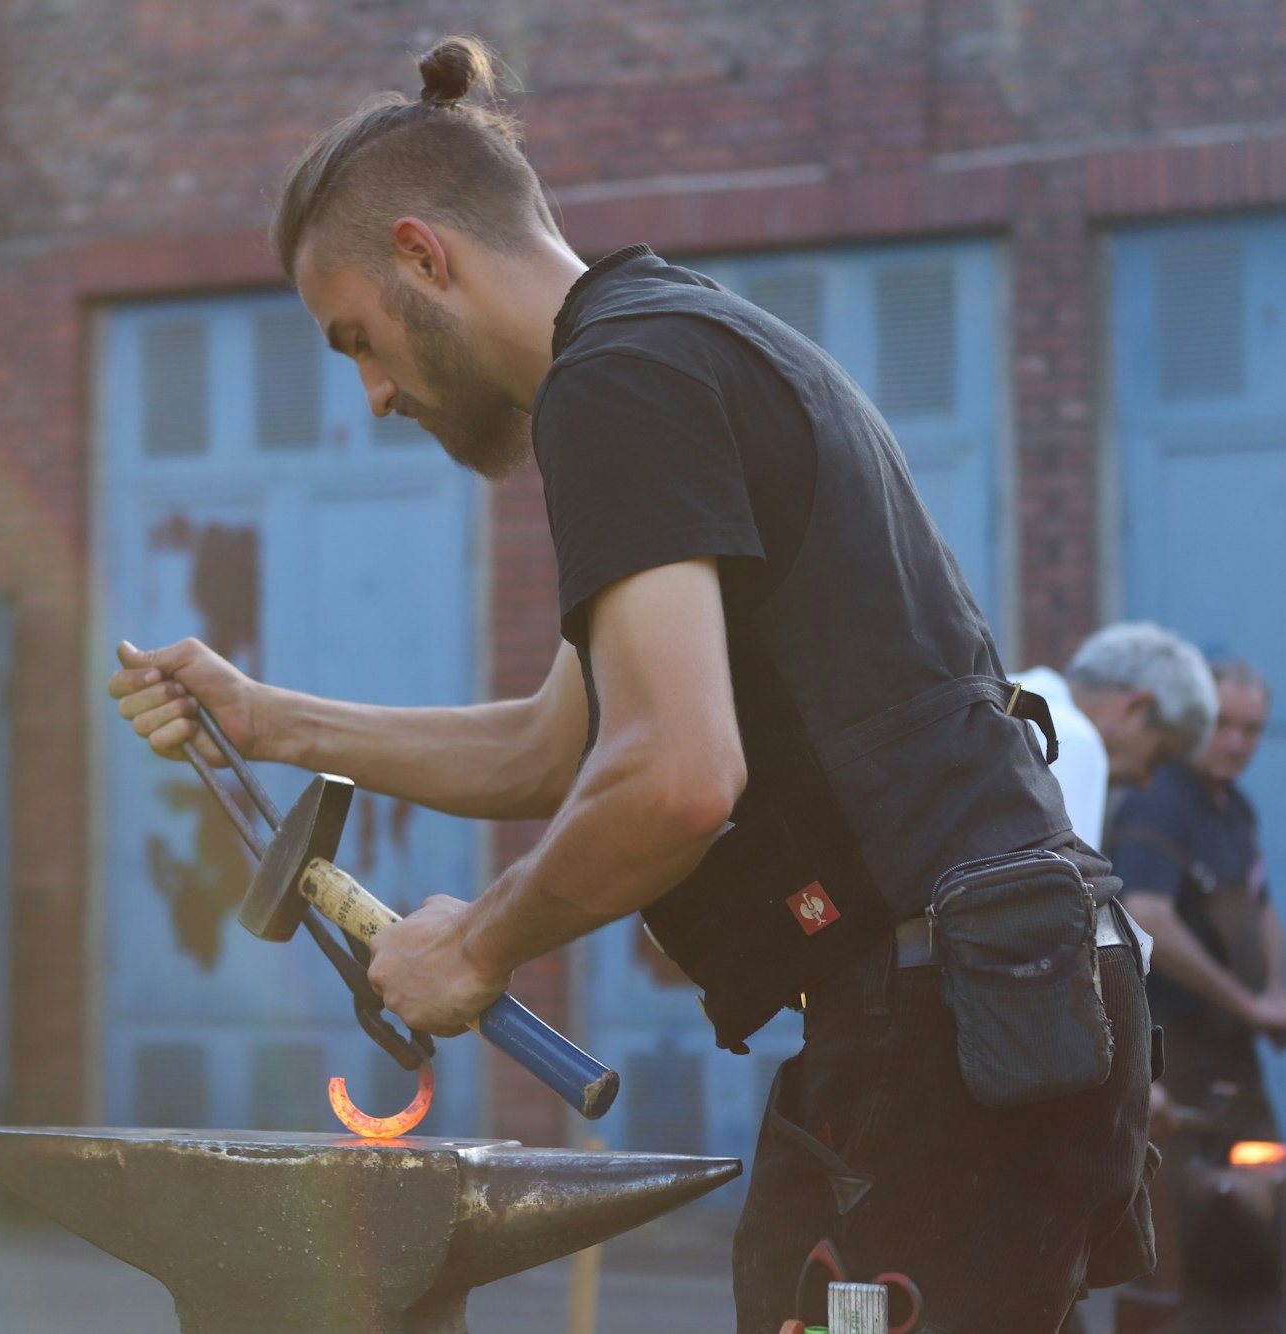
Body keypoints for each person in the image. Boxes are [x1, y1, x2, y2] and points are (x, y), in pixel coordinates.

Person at [108, 36, 1154, 1331]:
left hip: (947, 1016)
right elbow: (553, 751)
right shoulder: (669, 345)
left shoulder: (617, 383)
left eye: (357, 341)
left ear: (424, 255)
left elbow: (671, 776)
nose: (373, 393)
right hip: (986, 996)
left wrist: (475, 947)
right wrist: (267, 719)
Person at [1112, 658, 1285, 1134]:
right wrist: (1249, 1005)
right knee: (1184, 1198)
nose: (1235, 743)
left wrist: (1275, 993)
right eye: (1221, 724)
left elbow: (1260, 907)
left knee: (1263, 1185)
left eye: (1251, 730)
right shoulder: (1158, 796)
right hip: (1167, 1048)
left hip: (1230, 1049)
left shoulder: (1237, 809)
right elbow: (1147, 916)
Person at [1014, 621, 1217, 848]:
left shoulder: (1009, 699)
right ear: (1137, 707)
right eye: (1157, 759)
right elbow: (1059, 877)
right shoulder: (1073, 741)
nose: (1144, 783)